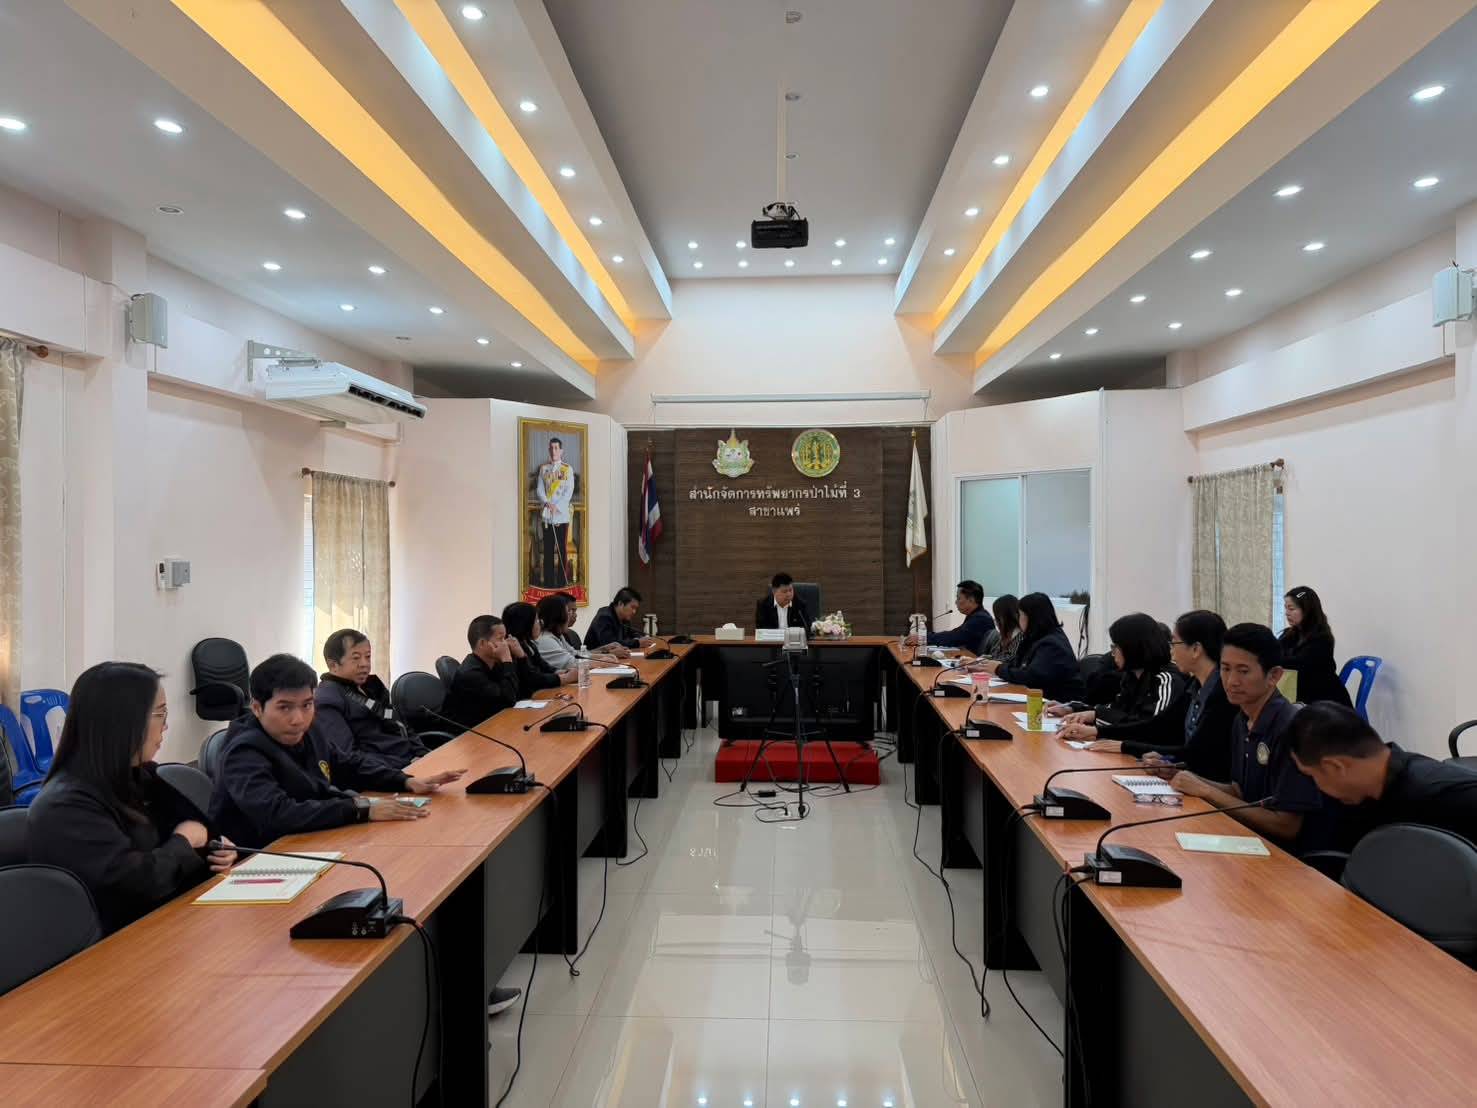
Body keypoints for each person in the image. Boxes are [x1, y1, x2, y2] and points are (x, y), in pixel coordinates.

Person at [27, 662, 238, 933]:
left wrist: (218, 850)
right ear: (123, 721)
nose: (166, 726)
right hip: (116, 944)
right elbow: (138, 884)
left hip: (169, 924)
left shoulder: (139, 775)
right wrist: (184, 842)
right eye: (160, 714)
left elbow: (201, 831)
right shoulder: (65, 807)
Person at [210, 655, 463, 847]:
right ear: (257, 708)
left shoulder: (310, 730)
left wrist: (406, 781)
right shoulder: (243, 752)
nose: (298, 719)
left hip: (311, 839)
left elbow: (348, 763)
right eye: (284, 707)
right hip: (261, 857)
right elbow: (278, 814)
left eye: (307, 705)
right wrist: (360, 809)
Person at [1160, 624, 1324, 846]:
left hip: (1284, 853)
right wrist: (1187, 778)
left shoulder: (1292, 728)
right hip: (1247, 839)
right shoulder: (1241, 719)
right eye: (1225, 669)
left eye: (1243, 671)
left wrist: (1206, 791)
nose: (1231, 681)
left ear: (1274, 675)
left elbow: (1286, 826)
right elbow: (1240, 791)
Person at [1073, 610, 1235, 780]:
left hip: (1205, 782)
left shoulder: (1221, 694)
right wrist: (1099, 732)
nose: (1171, 651)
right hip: (1185, 777)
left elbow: (1194, 752)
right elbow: (1157, 725)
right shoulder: (1195, 685)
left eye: (1174, 643)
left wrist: (1122, 745)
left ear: (1195, 649)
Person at [1290, 703, 1477, 848]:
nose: (1316, 785)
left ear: (1335, 767)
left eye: (1312, 775)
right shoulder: (1361, 796)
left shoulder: (1447, 795)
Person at [1056, 613, 1183, 737]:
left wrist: (1096, 724)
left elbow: (1147, 727)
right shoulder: (1132, 676)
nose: (1112, 653)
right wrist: (1073, 709)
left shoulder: (1166, 679)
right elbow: (1116, 709)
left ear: (1132, 648)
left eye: (1115, 646)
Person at [315, 629, 426, 769]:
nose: (365, 664)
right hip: (386, 771)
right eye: (356, 658)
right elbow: (348, 756)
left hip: (412, 761)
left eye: (367, 656)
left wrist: (423, 754)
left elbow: (399, 722)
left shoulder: (372, 686)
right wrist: (405, 765)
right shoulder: (327, 699)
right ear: (333, 665)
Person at [975, 592, 1085, 702]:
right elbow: (1018, 665)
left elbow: (1031, 677)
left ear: (1032, 617)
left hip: (1060, 703)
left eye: (1021, 615)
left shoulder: (1051, 644)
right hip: (1042, 699)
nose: (1018, 619)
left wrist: (999, 669)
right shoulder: (1035, 637)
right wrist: (996, 666)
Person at [442, 615, 524, 730]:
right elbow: (508, 700)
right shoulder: (470, 674)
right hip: (469, 734)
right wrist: (507, 659)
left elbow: (521, 688)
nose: (505, 644)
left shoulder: (494, 664)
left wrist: (521, 657)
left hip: (493, 723)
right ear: (482, 643)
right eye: (500, 639)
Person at [1278, 586, 1352, 706]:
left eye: (1291, 609)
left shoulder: (1322, 639)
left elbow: (1297, 664)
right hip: (1302, 694)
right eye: (1286, 608)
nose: (1287, 613)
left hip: (1324, 700)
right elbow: (1275, 651)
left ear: (1307, 610)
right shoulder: (1290, 634)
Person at [503, 601, 577, 698]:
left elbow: (544, 666)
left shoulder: (529, 643)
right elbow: (532, 679)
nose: (541, 623)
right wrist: (565, 678)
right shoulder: (512, 647)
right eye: (536, 620)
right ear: (525, 624)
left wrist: (562, 672)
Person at [910, 580, 995, 654]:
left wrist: (924, 638)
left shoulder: (981, 619)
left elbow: (954, 637)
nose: (956, 602)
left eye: (958, 598)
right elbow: (955, 633)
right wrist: (926, 636)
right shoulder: (977, 615)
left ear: (971, 600)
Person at [534, 595, 617, 671]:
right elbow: (571, 663)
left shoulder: (558, 636)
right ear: (558, 617)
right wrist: (601, 663)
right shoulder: (545, 639)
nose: (570, 616)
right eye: (568, 612)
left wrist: (602, 656)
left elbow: (575, 654)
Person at [535, 436, 575, 588]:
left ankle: (562, 582)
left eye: (556, 448)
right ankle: (549, 582)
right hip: (547, 516)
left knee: (561, 550)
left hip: (561, 516)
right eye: (551, 448)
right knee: (548, 550)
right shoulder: (543, 469)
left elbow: (568, 492)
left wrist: (556, 506)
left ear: (561, 451)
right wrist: (547, 502)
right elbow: (539, 489)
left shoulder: (567, 469)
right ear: (548, 450)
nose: (553, 451)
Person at [585, 587, 653, 655]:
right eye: (632, 607)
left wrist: (641, 638)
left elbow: (632, 633)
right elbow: (611, 644)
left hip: (613, 658)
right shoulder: (604, 617)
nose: (634, 612)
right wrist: (637, 643)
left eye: (636, 608)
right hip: (593, 658)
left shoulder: (624, 617)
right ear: (620, 604)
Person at [980, 594, 1022, 663]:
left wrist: (988, 661)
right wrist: (985, 658)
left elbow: (1009, 659)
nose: (996, 620)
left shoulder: (1020, 636)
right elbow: (996, 655)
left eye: (997, 617)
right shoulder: (1005, 633)